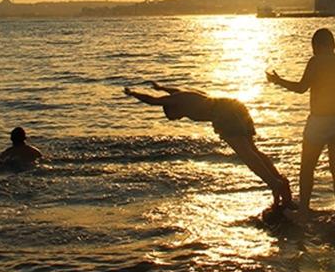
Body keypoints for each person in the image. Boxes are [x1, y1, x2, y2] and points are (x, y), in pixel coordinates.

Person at [123, 81, 294, 209]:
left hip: (224, 114)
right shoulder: (180, 94)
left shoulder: (176, 101)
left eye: (176, 116)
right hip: (235, 106)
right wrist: (160, 87)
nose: (179, 118)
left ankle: (275, 184)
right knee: (253, 150)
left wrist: (133, 93)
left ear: (172, 107)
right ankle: (279, 181)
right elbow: (172, 90)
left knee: (246, 154)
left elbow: (152, 101)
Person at [266, 28, 335, 221]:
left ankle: (303, 212)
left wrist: (278, 81)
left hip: (320, 120)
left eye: (313, 47)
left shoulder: (315, 61)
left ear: (318, 45)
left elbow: (301, 88)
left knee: (307, 167)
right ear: (333, 44)